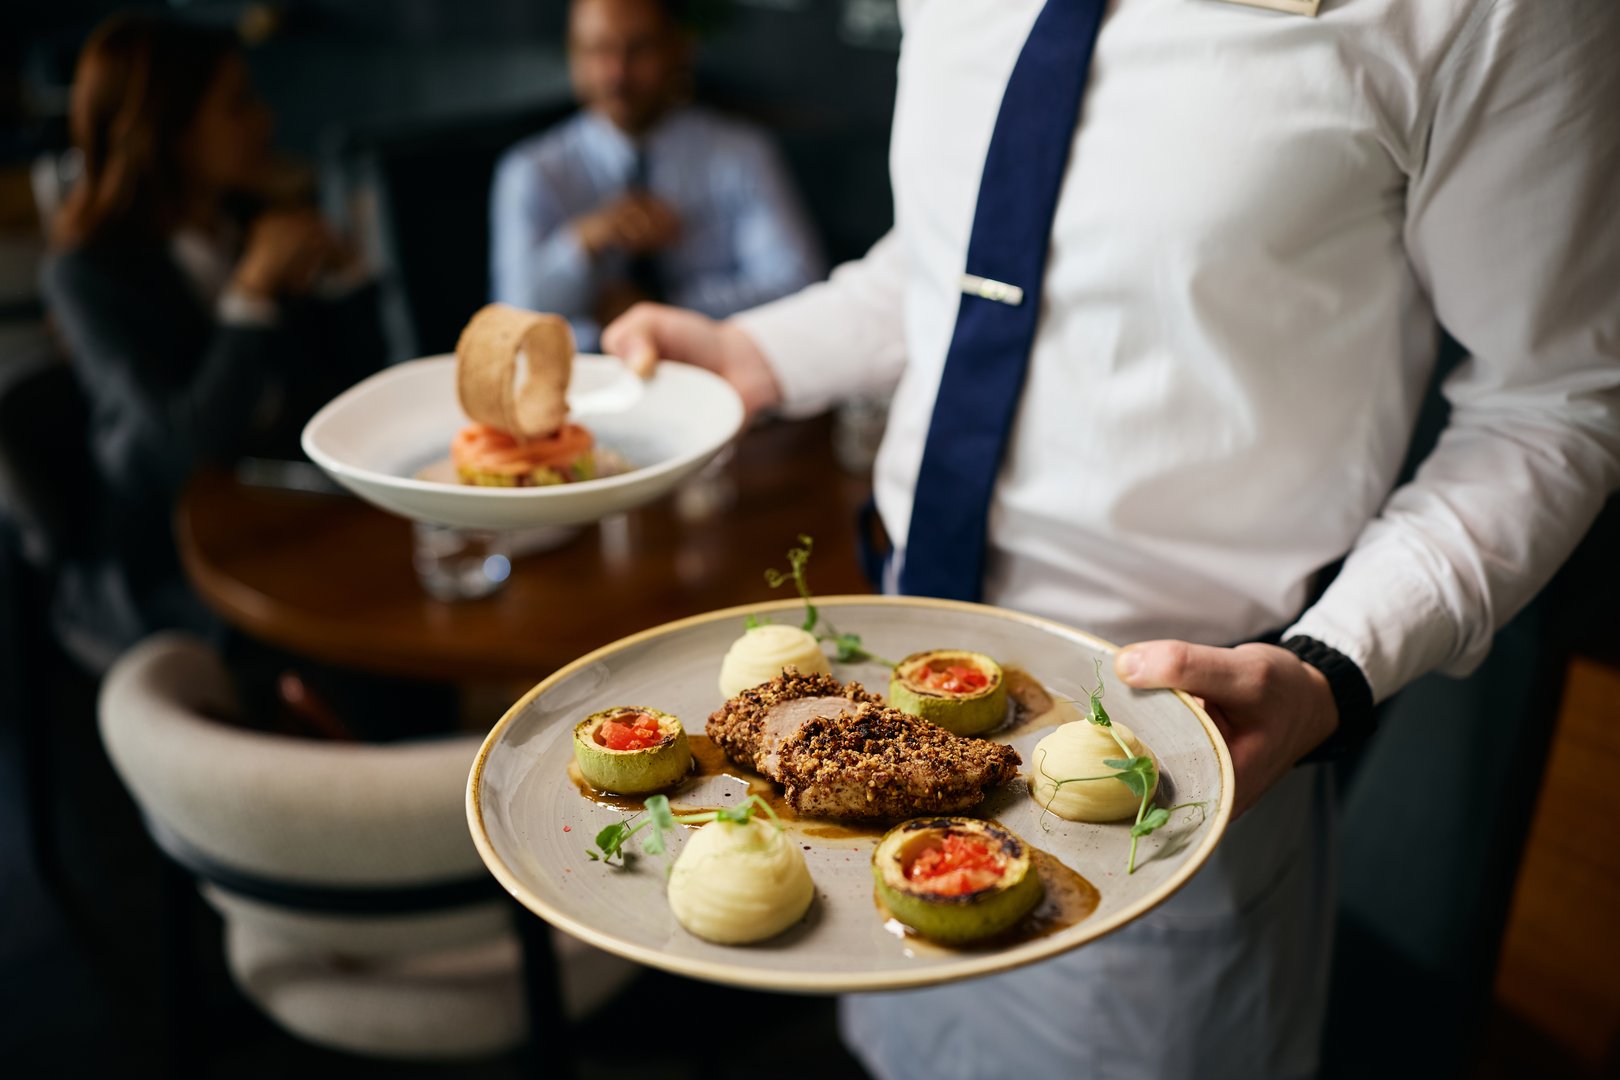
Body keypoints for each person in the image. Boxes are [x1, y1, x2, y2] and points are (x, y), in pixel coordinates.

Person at [602, 0, 1620, 1077]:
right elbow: (971, 244)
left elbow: (1559, 399)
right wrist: (759, 349)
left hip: (1176, 759)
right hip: (878, 705)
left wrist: (1333, 668)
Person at [41, 14, 386, 672]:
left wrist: (345, 280)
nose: (264, 122)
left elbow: (352, 395)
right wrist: (252, 291)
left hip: (276, 509)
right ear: (167, 132)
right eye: (238, 104)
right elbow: (183, 444)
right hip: (165, 549)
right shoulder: (86, 274)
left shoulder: (250, 220)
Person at [489, 0, 822, 352]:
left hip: (714, 373)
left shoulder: (741, 154)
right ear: (573, 55)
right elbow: (512, 318)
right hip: (582, 382)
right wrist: (583, 243)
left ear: (679, 49)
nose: (616, 73)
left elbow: (798, 286)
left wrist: (662, 311)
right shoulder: (530, 170)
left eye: (638, 49)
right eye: (597, 50)